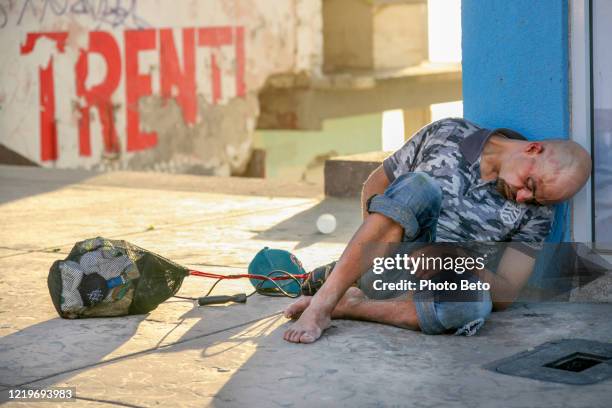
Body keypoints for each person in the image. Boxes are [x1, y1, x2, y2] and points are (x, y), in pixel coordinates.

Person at [283, 118, 592, 344]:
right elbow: (377, 186)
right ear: (533, 150)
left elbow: (507, 293)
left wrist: (455, 258)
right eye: (531, 185)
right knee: (419, 185)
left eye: (537, 198)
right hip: (390, 264)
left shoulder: (539, 213)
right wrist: (375, 256)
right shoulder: (447, 134)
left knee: (473, 306)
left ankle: (351, 306)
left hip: (437, 290)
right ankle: (325, 300)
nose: (526, 197)